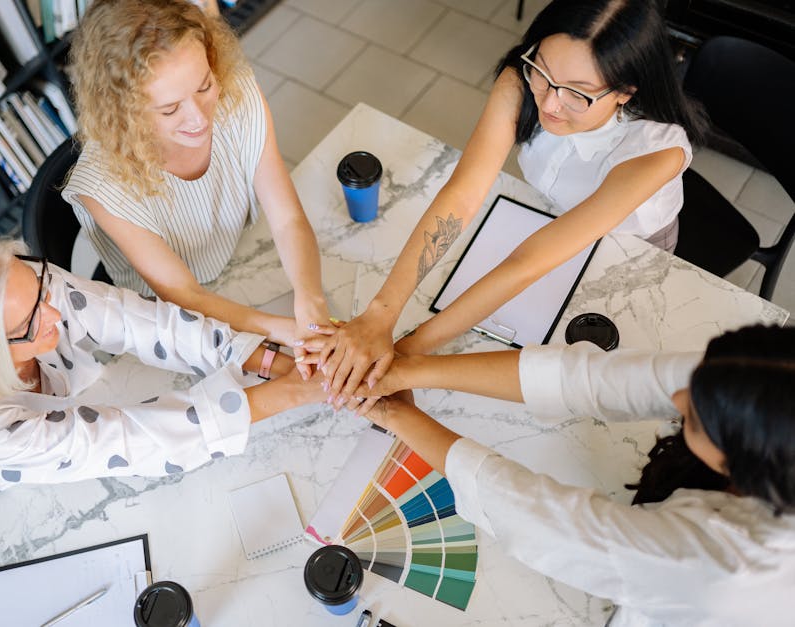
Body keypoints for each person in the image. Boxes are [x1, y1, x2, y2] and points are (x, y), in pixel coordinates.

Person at [316, 0, 708, 406]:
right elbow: (462, 195)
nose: (549, 104)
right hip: (543, 216)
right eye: (544, 73)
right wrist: (380, 314)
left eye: (577, 94)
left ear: (625, 92)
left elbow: (528, 262)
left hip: (626, 250)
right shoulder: (521, 80)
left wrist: (407, 351)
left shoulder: (655, 152)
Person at [351, 325, 795, 626]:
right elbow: (593, 380)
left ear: (743, 464)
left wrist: (395, 414)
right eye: (696, 377)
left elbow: (543, 520)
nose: (677, 400)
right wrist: (408, 372)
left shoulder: (725, 569)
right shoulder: (773, 396)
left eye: (695, 418)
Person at [0, 233, 325, 533]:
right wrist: (295, 391)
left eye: (41, 293)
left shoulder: (21, 284)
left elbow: (142, 322)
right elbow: (127, 439)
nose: (53, 313)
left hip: (70, 452)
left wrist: (273, 362)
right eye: (31, 322)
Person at [62, 0, 334, 378]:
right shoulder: (103, 185)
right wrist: (286, 330)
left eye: (204, 85)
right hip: (170, 316)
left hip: (239, 253)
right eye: (170, 109)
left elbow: (287, 218)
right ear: (124, 111)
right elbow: (186, 297)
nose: (199, 118)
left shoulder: (236, 92)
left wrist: (310, 299)